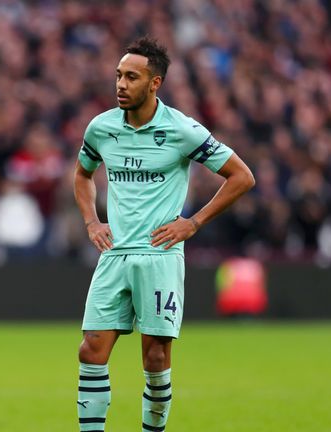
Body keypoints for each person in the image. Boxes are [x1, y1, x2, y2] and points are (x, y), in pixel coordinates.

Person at [73, 38, 255, 432]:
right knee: (90, 350)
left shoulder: (181, 130)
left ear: (154, 83)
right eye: (119, 75)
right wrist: (92, 221)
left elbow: (242, 177)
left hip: (160, 256)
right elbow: (83, 174)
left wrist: (194, 222)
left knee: (155, 358)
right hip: (115, 254)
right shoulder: (101, 128)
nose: (120, 84)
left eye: (131, 77)